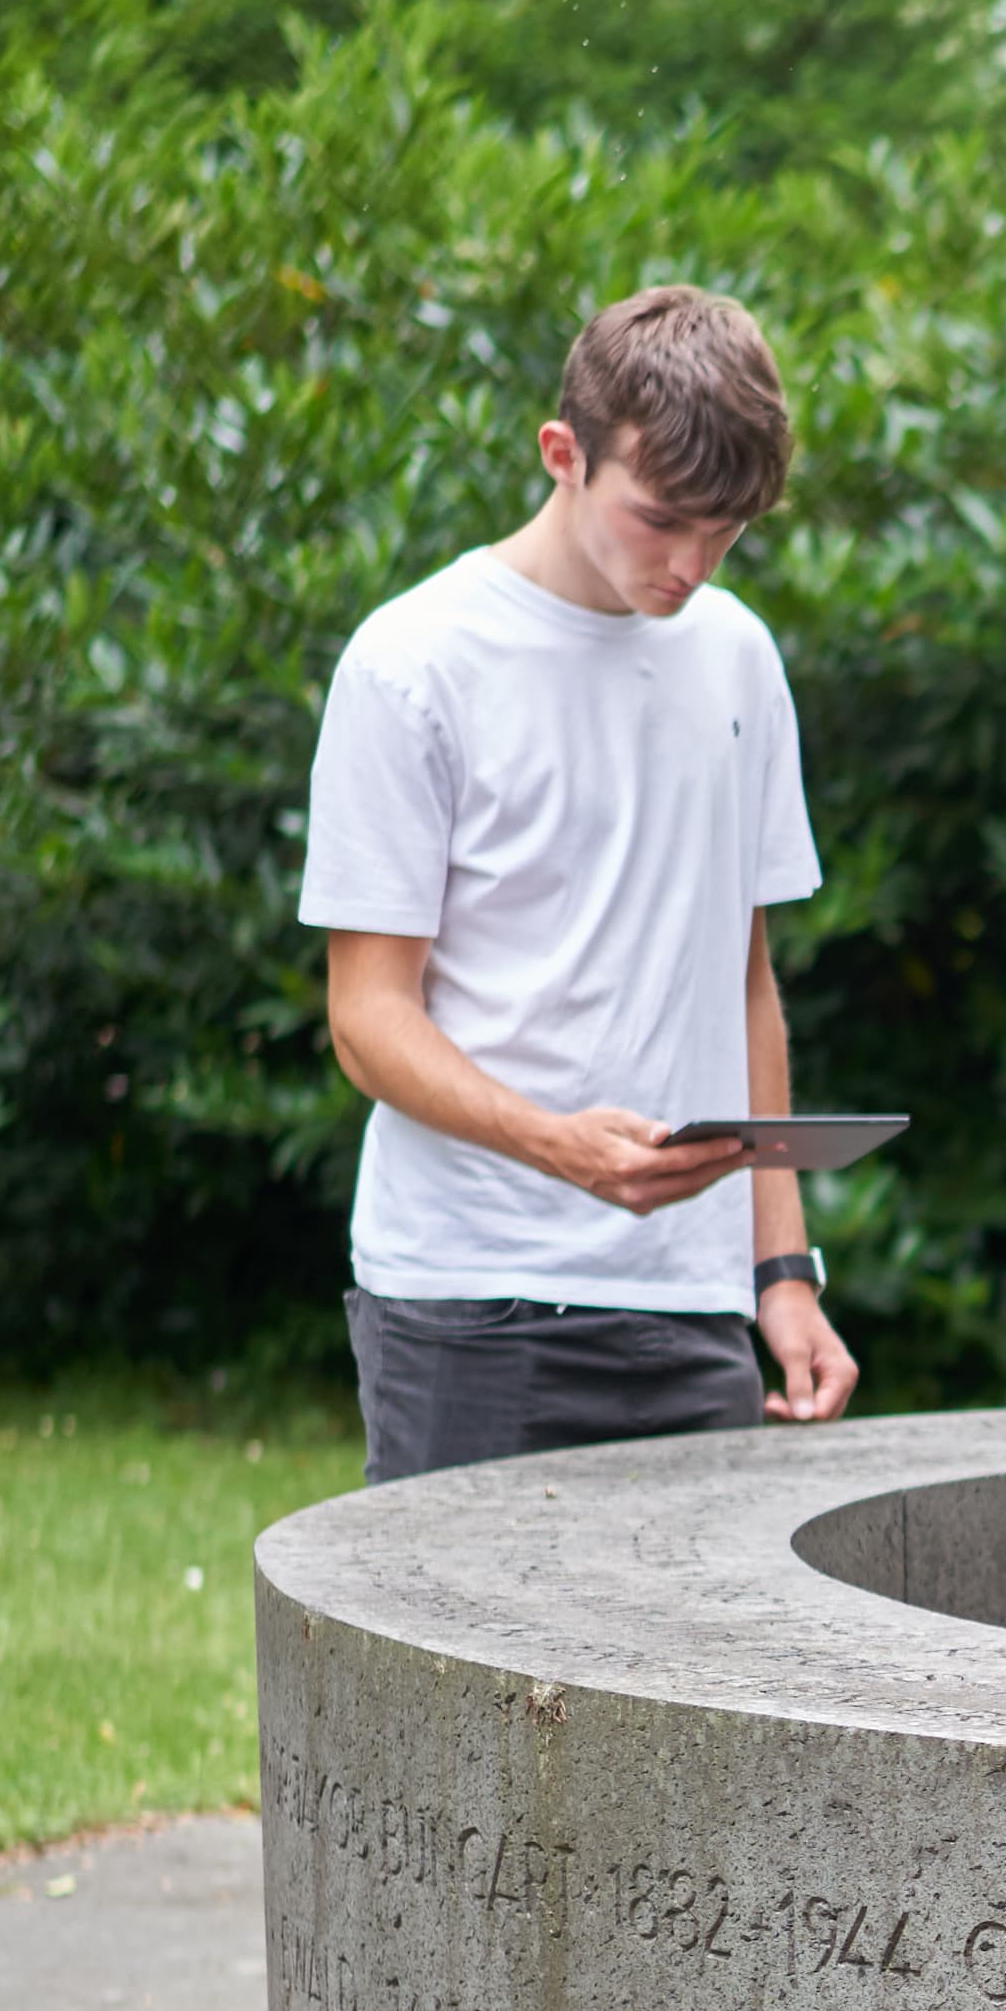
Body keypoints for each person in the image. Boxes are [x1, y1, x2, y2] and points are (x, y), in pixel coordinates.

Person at [304, 282, 859, 1483]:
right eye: (662, 520)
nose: (690, 566)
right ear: (563, 453)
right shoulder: (412, 665)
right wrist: (560, 1146)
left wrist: (782, 1275)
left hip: (692, 1304)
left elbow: (746, 986)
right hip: (469, 1297)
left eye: (727, 532)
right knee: (450, 1672)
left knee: (691, 1671)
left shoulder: (739, 659)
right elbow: (366, 1016)